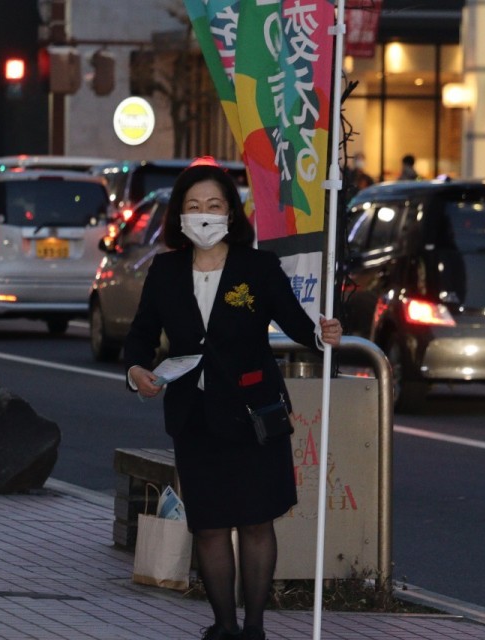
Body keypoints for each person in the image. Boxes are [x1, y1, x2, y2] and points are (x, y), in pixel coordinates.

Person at [124, 159, 342, 640]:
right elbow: (141, 337)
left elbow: (299, 326)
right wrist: (136, 370)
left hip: (252, 415)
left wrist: (327, 333)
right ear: (179, 215)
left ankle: (255, 627)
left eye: (214, 205)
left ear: (231, 212)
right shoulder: (164, 270)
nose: (204, 214)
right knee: (209, 526)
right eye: (194, 205)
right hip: (194, 417)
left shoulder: (257, 267)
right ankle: (223, 626)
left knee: (257, 522)